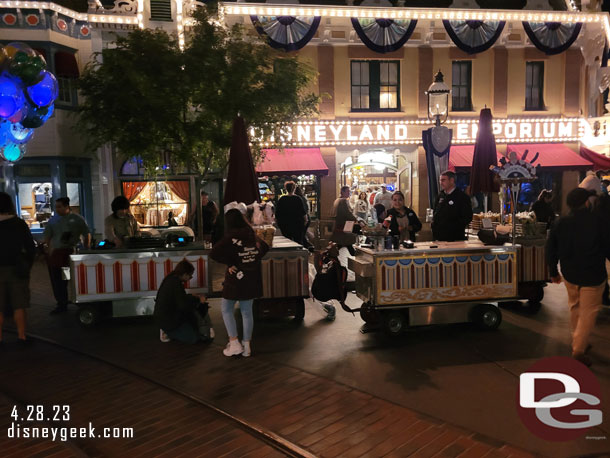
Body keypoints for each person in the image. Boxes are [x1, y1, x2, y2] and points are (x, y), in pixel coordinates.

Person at [546, 187, 610, 367]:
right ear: (586, 202)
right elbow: (607, 245)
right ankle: (579, 349)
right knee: (589, 311)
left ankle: (579, 339)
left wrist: (553, 271)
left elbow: (551, 248)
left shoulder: (560, 222)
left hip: (570, 272)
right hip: (593, 273)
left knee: (575, 306)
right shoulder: (598, 221)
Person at [210, 207, 269, 357]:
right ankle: (247, 346)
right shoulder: (251, 234)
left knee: (226, 309)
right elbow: (265, 247)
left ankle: (234, 342)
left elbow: (214, 253)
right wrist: (252, 259)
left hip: (235, 279)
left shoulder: (231, 237)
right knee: (247, 312)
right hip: (251, 278)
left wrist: (231, 263)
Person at [43, 197, 91, 314]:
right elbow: (47, 237)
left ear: (67, 206)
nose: (57, 209)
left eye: (59, 206)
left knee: (69, 278)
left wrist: (87, 248)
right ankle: (62, 303)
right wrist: (49, 251)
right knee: (59, 280)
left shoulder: (77, 219)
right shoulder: (53, 220)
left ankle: (75, 300)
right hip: (57, 254)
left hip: (70, 254)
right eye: (56, 207)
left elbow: (87, 234)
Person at [0, 192, 35, 345]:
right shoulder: (19, 224)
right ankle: (21, 336)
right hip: (17, 270)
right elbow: (30, 248)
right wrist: (27, 264)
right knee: (19, 305)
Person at [154, 260, 213, 344]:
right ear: (185, 274)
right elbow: (183, 305)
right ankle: (168, 332)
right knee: (193, 337)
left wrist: (192, 297)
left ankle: (168, 331)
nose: (190, 278)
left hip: (166, 317)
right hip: (169, 320)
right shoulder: (176, 283)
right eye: (190, 275)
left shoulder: (171, 279)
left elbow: (179, 299)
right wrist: (198, 300)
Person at [432, 171, 473, 242]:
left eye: (443, 180)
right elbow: (435, 212)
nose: (441, 183)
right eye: (440, 180)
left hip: (455, 238)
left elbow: (467, 217)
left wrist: (453, 227)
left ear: (452, 180)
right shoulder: (440, 196)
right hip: (439, 238)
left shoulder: (462, 197)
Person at [331, 186, 360, 255]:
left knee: (342, 244)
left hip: (338, 225)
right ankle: (355, 255)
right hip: (343, 225)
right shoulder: (343, 200)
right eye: (347, 191)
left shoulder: (337, 200)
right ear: (342, 192)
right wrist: (356, 219)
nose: (349, 193)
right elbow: (348, 213)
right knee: (347, 242)